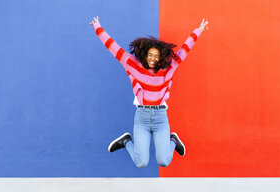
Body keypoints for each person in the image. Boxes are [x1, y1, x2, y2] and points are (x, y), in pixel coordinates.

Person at [89, 16, 209, 168]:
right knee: (141, 162)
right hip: (142, 118)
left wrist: (198, 31)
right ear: (145, 54)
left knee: (164, 161)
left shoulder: (169, 67)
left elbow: (185, 49)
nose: (153, 59)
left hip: (160, 118)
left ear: (161, 58)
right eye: (150, 55)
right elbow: (113, 47)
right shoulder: (132, 64)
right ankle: (126, 141)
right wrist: (98, 27)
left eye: (156, 56)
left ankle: (173, 140)